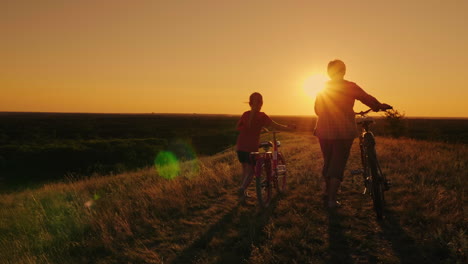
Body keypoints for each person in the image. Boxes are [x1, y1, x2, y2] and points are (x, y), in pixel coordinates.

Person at [314, 59, 391, 208]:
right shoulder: (350, 86)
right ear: (343, 71)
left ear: (329, 72)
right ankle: (331, 200)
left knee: (328, 161)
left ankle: (327, 193)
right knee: (337, 163)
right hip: (343, 131)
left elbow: (317, 109)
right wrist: (378, 106)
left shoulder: (322, 87)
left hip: (323, 130)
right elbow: (367, 98)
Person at [236, 92, 292, 201]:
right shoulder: (262, 116)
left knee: (245, 170)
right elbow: (276, 125)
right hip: (251, 147)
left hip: (240, 145)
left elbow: (238, 127)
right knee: (251, 171)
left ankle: (243, 194)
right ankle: (242, 188)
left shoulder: (245, 114)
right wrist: (288, 128)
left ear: (250, 103)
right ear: (261, 103)